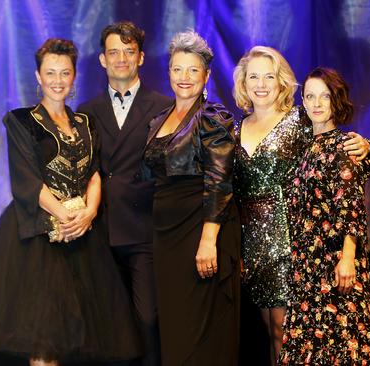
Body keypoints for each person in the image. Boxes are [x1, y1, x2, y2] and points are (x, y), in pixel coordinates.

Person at [0, 38, 142, 366]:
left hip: (82, 239)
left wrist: (89, 213)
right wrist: (64, 215)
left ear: (74, 76)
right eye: (51, 73)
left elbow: (94, 174)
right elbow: (27, 181)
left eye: (65, 72)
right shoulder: (22, 122)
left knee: (65, 338)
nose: (58, 80)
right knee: (43, 339)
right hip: (39, 241)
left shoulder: (85, 123)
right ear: (38, 76)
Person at [232, 46, 370, 365]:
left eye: (269, 76)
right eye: (253, 76)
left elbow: (340, 156)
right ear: (243, 82)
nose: (261, 83)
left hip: (294, 242)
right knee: (270, 329)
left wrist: (364, 147)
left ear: (282, 81)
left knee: (289, 332)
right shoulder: (235, 127)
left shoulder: (299, 120)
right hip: (255, 245)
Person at [142, 30, 240, 365]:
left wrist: (208, 240)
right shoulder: (158, 120)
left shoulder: (214, 117)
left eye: (192, 70)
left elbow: (219, 181)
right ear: (168, 72)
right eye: (177, 69)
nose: (184, 78)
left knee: (200, 332)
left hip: (200, 230)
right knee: (175, 328)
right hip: (166, 236)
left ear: (206, 75)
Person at [77, 21, 172, 366]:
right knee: (106, 325)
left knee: (147, 319)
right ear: (102, 60)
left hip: (144, 229)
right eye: (113, 52)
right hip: (99, 230)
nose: (121, 59)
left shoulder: (164, 107)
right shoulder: (86, 112)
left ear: (141, 57)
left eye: (128, 52)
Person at [280, 67, 370, 365]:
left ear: (336, 100)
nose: (316, 103)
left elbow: (351, 206)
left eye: (324, 96)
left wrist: (347, 258)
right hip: (307, 267)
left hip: (335, 265)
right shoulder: (306, 147)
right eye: (310, 96)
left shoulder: (343, 145)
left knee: (340, 343)